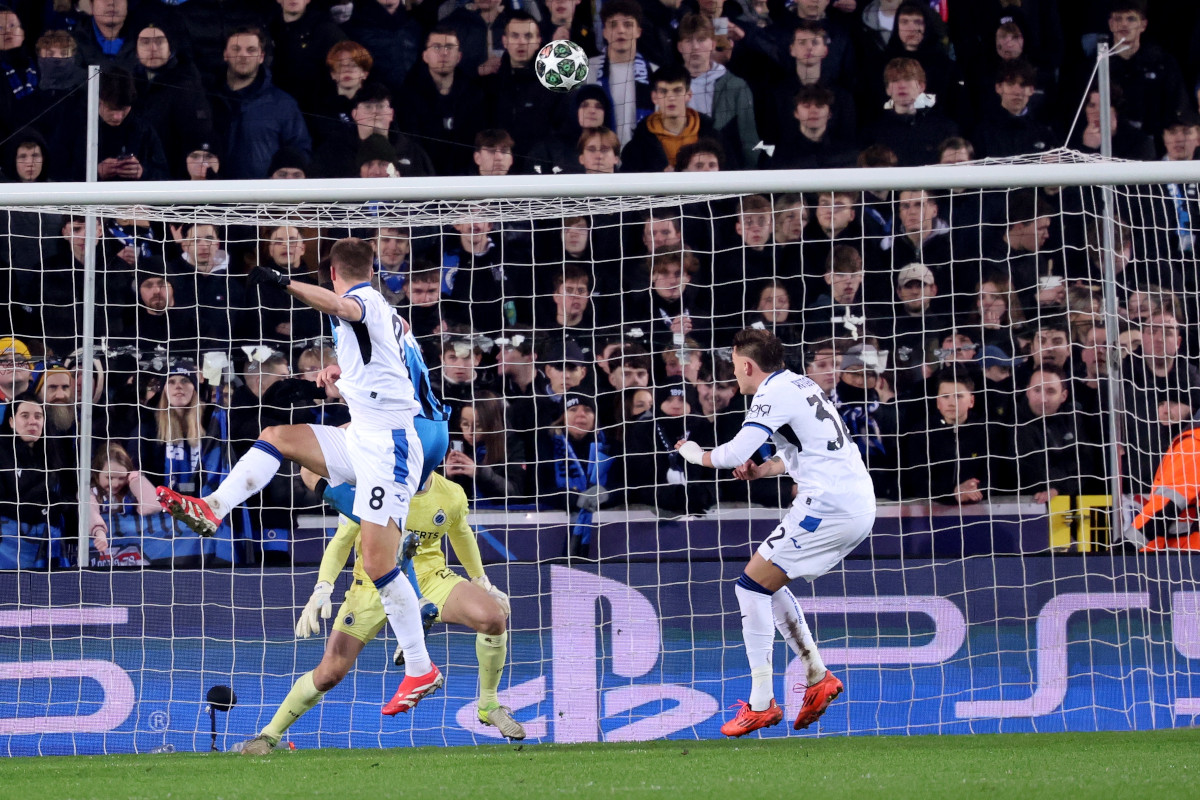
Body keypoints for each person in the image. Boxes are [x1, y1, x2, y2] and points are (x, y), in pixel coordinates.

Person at [156, 238, 446, 716]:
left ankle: (420, 667)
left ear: (333, 273)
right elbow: (397, 369)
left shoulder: (363, 300)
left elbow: (344, 306)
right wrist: (342, 376)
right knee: (278, 436)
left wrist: (284, 281)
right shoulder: (393, 317)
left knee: (377, 563)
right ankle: (212, 507)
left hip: (390, 447)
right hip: (366, 435)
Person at [674, 328, 874, 736]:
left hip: (830, 505)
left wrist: (690, 452)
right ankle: (817, 676)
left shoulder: (770, 393)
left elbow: (732, 453)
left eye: (734, 368)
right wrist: (764, 469)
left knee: (748, 588)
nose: (735, 376)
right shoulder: (800, 384)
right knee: (763, 582)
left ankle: (762, 703)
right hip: (852, 500)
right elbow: (805, 451)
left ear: (747, 365)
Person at [238, 470, 524, 754]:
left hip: (429, 578)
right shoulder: (376, 490)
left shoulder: (451, 493)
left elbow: (461, 534)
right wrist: (322, 588)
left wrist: (481, 581)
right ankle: (268, 736)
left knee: (492, 617)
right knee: (329, 674)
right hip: (372, 585)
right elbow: (341, 541)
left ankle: (488, 705)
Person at [210, 27, 312, 179]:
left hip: (264, 198)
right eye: (236, 49)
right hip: (212, 196)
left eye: (251, 50)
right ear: (225, 54)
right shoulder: (206, 98)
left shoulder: (282, 104)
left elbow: (299, 154)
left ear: (261, 56)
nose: (243, 55)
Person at [620, 65, 717, 173]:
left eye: (677, 91)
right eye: (664, 91)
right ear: (654, 97)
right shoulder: (638, 145)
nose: (671, 97)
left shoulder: (713, 136)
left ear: (688, 95)